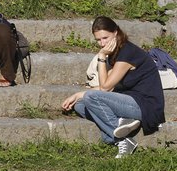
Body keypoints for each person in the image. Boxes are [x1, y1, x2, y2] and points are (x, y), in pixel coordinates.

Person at [62, 16, 165, 158]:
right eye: (98, 40)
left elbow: (105, 88)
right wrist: (78, 95)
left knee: (90, 97)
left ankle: (121, 138)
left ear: (116, 32)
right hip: (127, 99)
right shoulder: (115, 52)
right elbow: (108, 86)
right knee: (80, 105)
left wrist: (102, 57)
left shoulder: (127, 52)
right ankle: (120, 126)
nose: (102, 43)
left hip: (145, 105)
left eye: (105, 38)